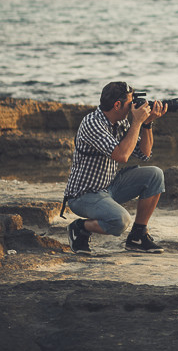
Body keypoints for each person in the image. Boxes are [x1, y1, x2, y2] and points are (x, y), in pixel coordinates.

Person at [63, 81, 169, 255]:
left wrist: (147, 124)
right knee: (120, 221)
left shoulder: (121, 122)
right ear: (117, 105)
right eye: (130, 103)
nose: (133, 107)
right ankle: (80, 228)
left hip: (109, 187)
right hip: (84, 195)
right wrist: (137, 123)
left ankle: (138, 236)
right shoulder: (92, 123)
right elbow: (122, 155)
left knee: (155, 174)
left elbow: (144, 154)